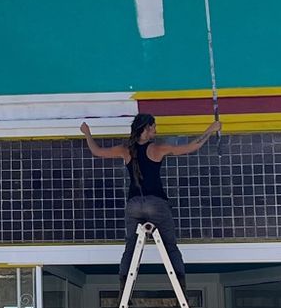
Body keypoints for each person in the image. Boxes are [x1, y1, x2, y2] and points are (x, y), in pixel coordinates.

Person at [79, 113, 221, 289]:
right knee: (170, 246)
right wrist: (211, 129)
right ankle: (180, 287)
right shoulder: (157, 149)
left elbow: (97, 151)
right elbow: (190, 147)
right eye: (153, 127)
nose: (156, 130)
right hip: (156, 203)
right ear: (146, 128)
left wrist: (87, 133)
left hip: (133, 204)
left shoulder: (126, 150)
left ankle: (124, 288)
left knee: (130, 246)